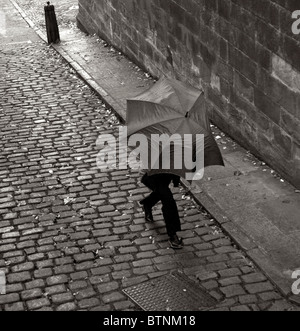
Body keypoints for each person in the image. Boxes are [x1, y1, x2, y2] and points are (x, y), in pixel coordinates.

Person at [139, 172, 184, 249]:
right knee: (168, 201)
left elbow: (178, 166)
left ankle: (147, 203)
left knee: (162, 193)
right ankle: (172, 235)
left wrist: (176, 182)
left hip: (165, 177)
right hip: (152, 176)